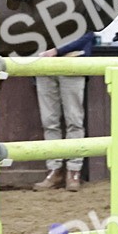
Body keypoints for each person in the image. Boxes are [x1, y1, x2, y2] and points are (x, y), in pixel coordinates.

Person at [32, 32, 96, 192]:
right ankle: (56, 170)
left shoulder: (83, 8)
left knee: (73, 120)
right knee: (49, 121)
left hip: (71, 62)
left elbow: (87, 35)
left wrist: (55, 50)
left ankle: (72, 170)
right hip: (44, 63)